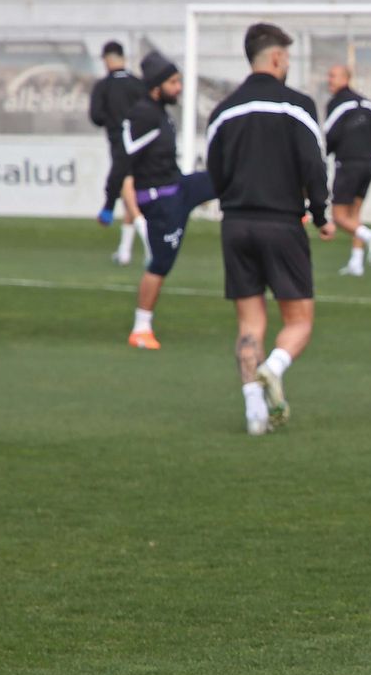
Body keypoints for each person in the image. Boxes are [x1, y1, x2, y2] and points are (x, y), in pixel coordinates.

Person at [206, 23, 333, 435]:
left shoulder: (223, 110)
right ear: (277, 58)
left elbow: (215, 173)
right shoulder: (297, 106)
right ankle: (272, 368)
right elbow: (313, 165)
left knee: (249, 323)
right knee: (299, 321)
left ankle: (254, 412)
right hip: (281, 223)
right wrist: (319, 212)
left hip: (237, 225)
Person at [118, 51, 216, 350]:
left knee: (226, 177)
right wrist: (136, 215)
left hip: (177, 188)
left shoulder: (160, 112)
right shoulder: (143, 115)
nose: (179, 87)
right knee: (160, 265)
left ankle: (291, 210)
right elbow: (124, 169)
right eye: (174, 82)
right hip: (161, 202)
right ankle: (141, 328)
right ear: (157, 86)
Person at [88, 40, 148, 265]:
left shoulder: (103, 86)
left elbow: (95, 116)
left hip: (119, 144)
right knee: (129, 193)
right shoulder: (138, 84)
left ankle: (149, 244)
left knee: (128, 192)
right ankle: (124, 251)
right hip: (142, 144)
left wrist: (112, 120)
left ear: (106, 59)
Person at [323, 64, 371, 276]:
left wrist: (327, 153)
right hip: (368, 164)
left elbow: (328, 135)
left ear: (346, 78)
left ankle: (369, 237)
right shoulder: (368, 104)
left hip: (348, 164)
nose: (329, 79)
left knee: (339, 216)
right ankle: (356, 263)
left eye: (333, 75)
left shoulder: (338, 104)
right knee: (355, 214)